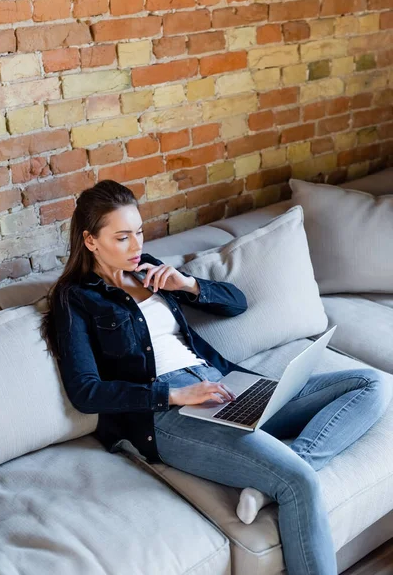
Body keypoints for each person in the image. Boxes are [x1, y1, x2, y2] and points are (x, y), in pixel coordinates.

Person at [40, 179, 392, 575]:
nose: (136, 246)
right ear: (90, 240)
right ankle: (283, 473)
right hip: (168, 413)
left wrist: (186, 284)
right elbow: (87, 392)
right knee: (298, 483)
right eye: (122, 237)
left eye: (139, 232)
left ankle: (264, 483)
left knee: (373, 383)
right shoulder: (75, 298)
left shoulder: (149, 269)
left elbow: (236, 303)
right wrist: (175, 395)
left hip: (226, 384)